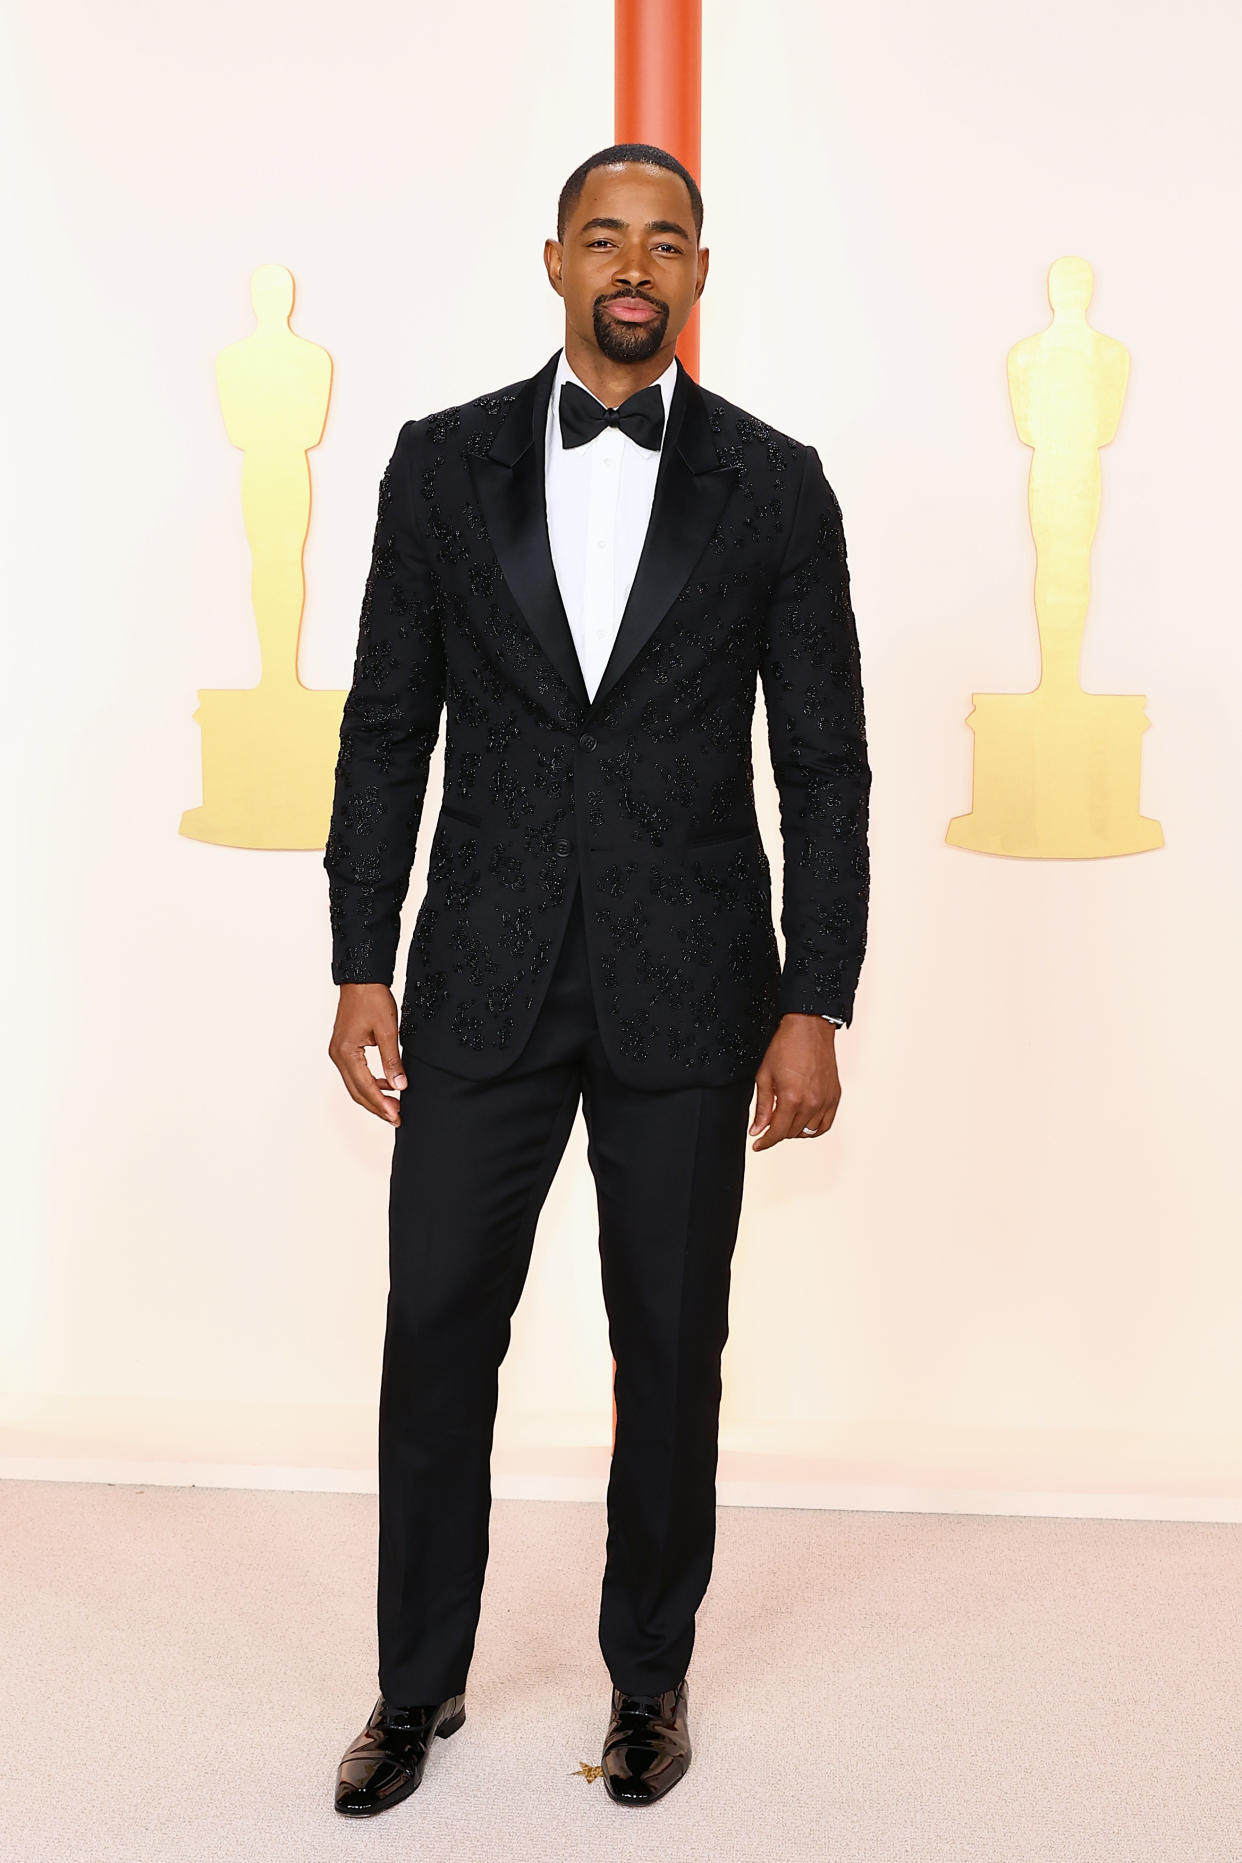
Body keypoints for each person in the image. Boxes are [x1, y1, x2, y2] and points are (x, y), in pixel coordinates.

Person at [324, 142, 871, 1815]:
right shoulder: (436, 467)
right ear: (553, 261)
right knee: (433, 1335)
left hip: (694, 991)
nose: (634, 265)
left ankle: (648, 1683)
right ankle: (413, 1692)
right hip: (478, 978)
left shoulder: (777, 485)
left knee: (668, 1346)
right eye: (604, 238)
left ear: (700, 274)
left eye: (667, 242)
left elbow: (825, 767)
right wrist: (358, 958)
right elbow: (383, 728)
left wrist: (813, 996)